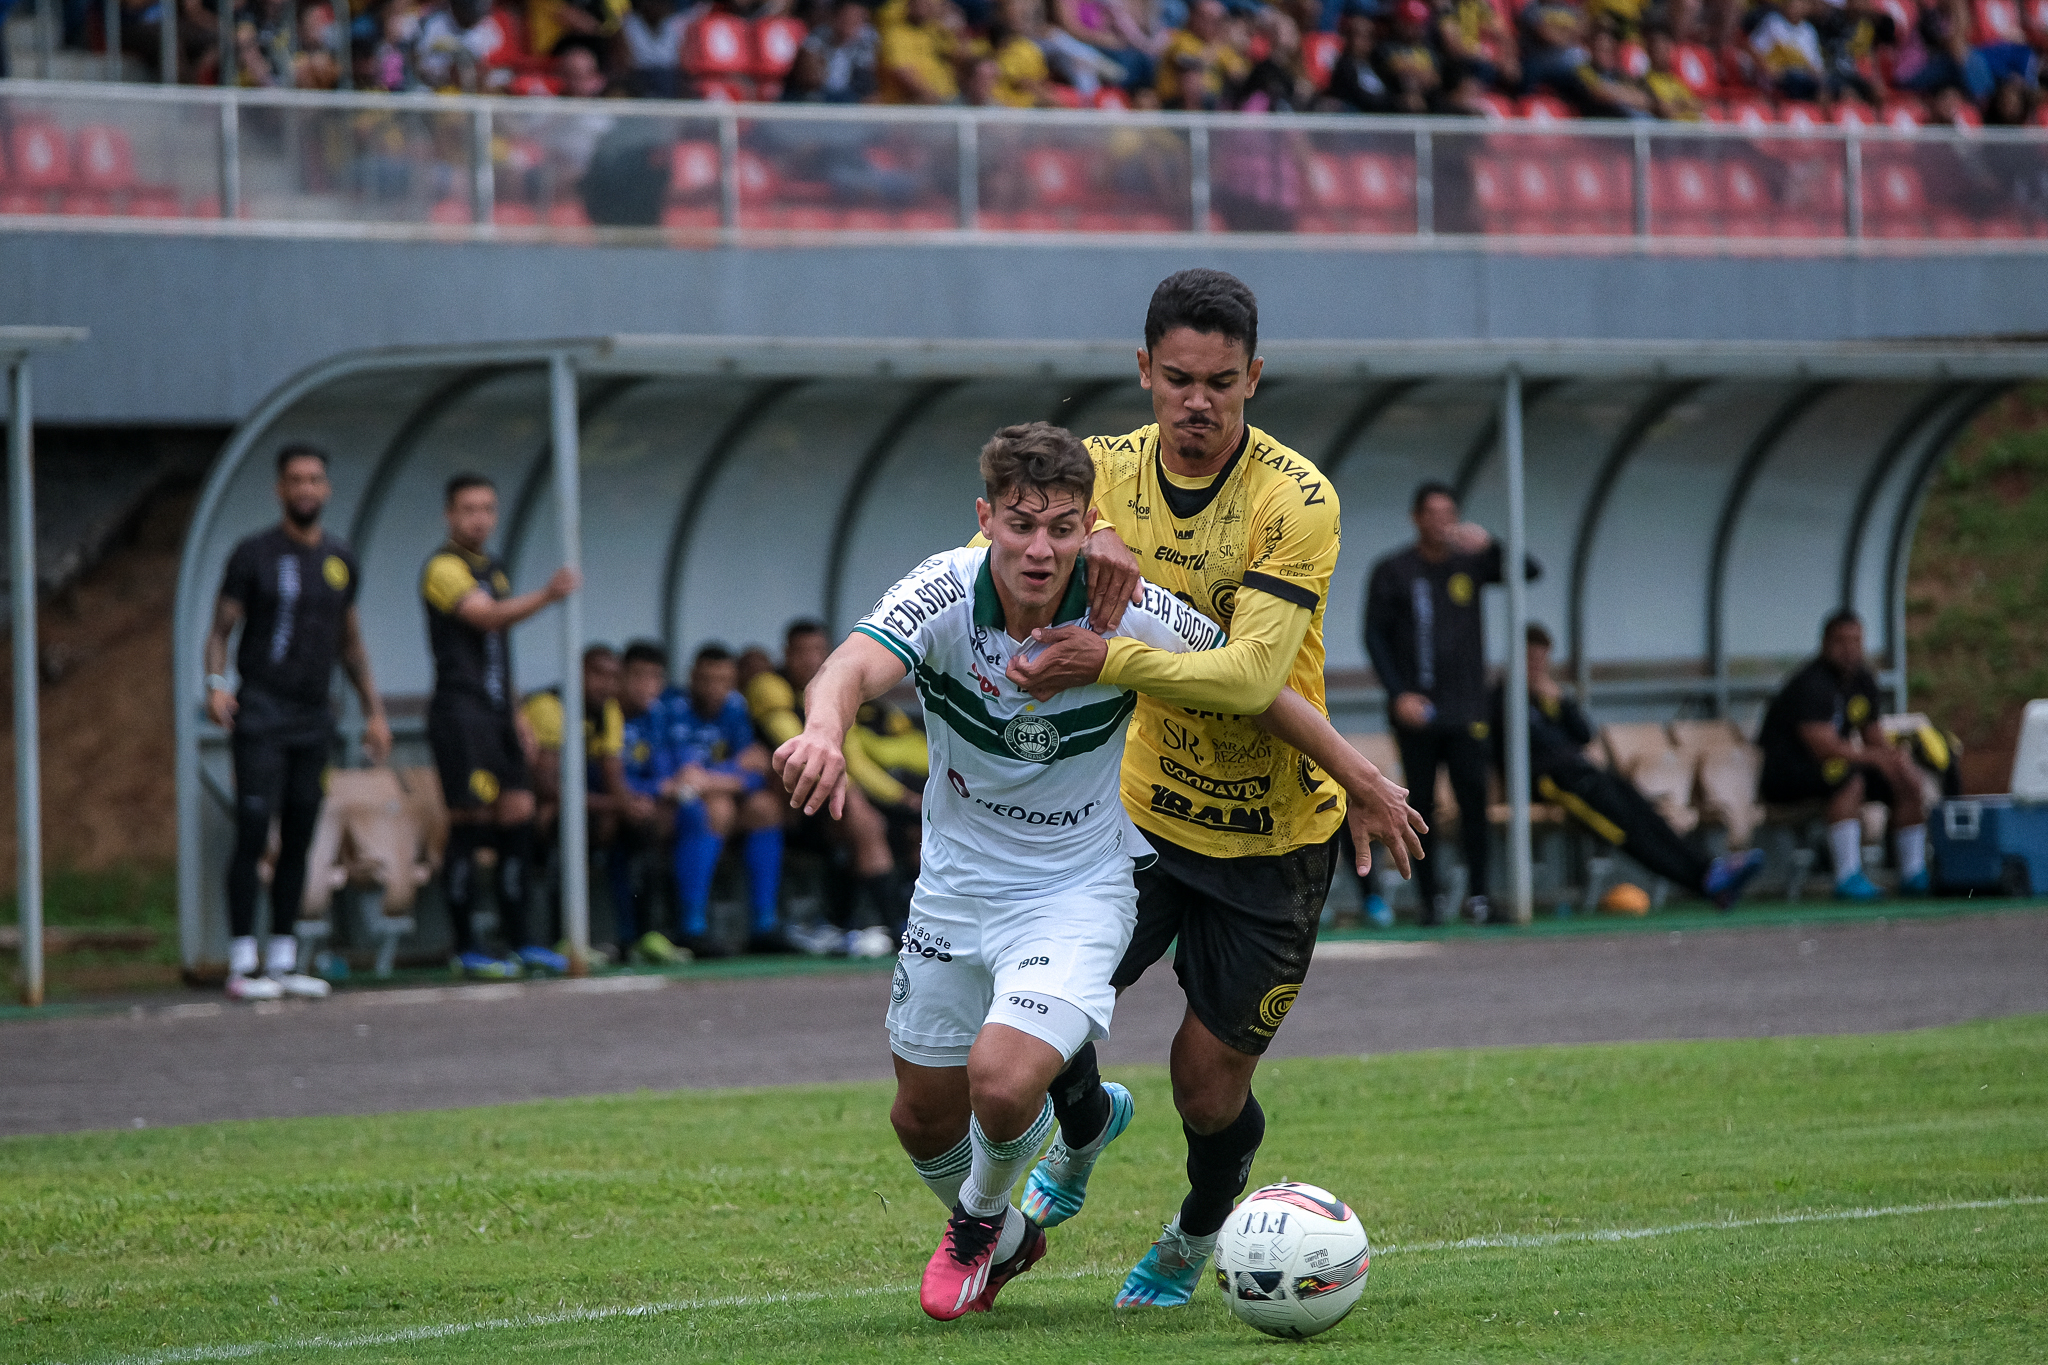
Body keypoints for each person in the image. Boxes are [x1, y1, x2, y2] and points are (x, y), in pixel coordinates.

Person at [774, 420, 1407, 1321]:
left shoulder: (1126, 606)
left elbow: (1258, 687)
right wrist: (823, 729)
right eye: (1021, 525)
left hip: (1078, 888)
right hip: (953, 888)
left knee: (1002, 1078)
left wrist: (1362, 777)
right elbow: (850, 664)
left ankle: (979, 1220)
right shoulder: (944, 591)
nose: (1040, 549)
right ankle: (1030, 1204)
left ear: (1087, 527)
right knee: (920, 1116)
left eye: (1062, 527)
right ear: (984, 519)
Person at [997, 270, 1427, 1310]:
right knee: (1042, 1010)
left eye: (1221, 384)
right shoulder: (1096, 470)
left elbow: (1245, 679)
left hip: (1274, 837)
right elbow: (1002, 542)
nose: (1197, 403)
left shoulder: (1295, 498)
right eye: (1177, 379)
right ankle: (1089, 1124)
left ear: (1253, 379)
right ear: (1142, 370)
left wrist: (1105, 657)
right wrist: (1074, 536)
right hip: (1138, 812)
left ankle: (1197, 1231)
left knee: (1203, 1085)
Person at [204, 445, 392, 1002]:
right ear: (279, 490)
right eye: (295, 480)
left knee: (302, 834)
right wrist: (216, 686)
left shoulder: (339, 559)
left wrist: (375, 710)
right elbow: (221, 629)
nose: (306, 488)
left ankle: (284, 956)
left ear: (327, 489)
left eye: (315, 478)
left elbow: (351, 642)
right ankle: (243, 959)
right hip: (261, 709)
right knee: (254, 828)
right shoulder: (254, 554)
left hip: (315, 716)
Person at [421, 472, 581, 978]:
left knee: (519, 813)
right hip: (460, 714)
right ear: (450, 515)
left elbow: (498, 651)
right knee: (469, 822)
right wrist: (549, 596)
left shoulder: (494, 567)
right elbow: (486, 620)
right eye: (468, 509)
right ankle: (466, 946)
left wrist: (516, 715)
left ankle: (521, 939)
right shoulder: (443, 567)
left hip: (495, 714)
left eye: (488, 508)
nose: (479, 518)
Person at [1365, 480, 1539, 925]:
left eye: (1449, 514)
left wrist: (1493, 545)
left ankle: (1479, 897)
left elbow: (1530, 572)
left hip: (1467, 709)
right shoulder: (1393, 570)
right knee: (1419, 804)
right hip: (1417, 712)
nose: (1442, 522)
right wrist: (1398, 693)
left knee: (1473, 802)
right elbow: (1375, 636)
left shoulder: (1473, 562)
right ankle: (1430, 901)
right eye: (1433, 513)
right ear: (1417, 518)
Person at [1491, 625, 1764, 908]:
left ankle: (1710, 870)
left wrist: (1560, 700)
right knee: (1627, 829)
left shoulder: (1547, 697)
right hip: (1553, 783)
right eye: (1530, 660)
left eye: (1541, 661)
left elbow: (1584, 734)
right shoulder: (1501, 699)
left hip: (1585, 773)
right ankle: (1703, 882)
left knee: (1647, 813)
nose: (1536, 668)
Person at [748, 619, 918, 956]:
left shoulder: (834, 688)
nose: (810, 660)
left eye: (818, 651)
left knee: (896, 824)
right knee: (860, 815)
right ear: (786, 654)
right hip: (783, 798)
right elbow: (796, 744)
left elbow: (851, 756)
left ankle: (877, 924)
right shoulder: (769, 686)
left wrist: (902, 798)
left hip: (823, 796)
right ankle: (891, 924)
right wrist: (849, 789)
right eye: (802, 652)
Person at [1757, 610, 1929, 899]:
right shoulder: (1810, 684)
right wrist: (1875, 758)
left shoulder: (1862, 679)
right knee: (1848, 778)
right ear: (1825, 642)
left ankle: (1914, 872)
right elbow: (1823, 747)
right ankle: (1847, 876)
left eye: (1856, 641)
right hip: (1788, 774)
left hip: (1831, 767)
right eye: (1841, 641)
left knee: (1905, 779)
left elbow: (1873, 736)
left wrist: (1895, 761)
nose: (1849, 650)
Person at [656, 644, 792, 958]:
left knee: (765, 807)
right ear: (692, 677)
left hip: (716, 799)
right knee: (718, 807)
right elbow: (682, 776)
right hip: (673, 804)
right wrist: (727, 774)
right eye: (707, 679)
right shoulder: (672, 707)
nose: (715, 688)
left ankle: (764, 925)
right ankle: (692, 927)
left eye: (723, 680)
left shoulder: (735, 708)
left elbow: (756, 768)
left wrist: (714, 777)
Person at [521, 644, 631, 958]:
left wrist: (628, 807)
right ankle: (563, 938)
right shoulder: (549, 706)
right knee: (563, 826)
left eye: (613, 677)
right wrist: (612, 805)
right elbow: (546, 787)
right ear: (577, 672)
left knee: (637, 827)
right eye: (597, 674)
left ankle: (636, 937)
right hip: (537, 808)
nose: (605, 684)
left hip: (585, 805)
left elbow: (614, 776)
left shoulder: (608, 711)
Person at [615, 640, 683, 960]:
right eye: (639, 675)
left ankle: (670, 930)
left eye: (655, 677)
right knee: (630, 823)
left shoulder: (656, 715)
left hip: (641, 803)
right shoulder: (608, 712)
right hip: (604, 805)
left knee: (678, 815)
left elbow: (666, 774)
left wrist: (656, 792)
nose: (647, 685)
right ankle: (630, 934)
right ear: (621, 676)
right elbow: (601, 774)